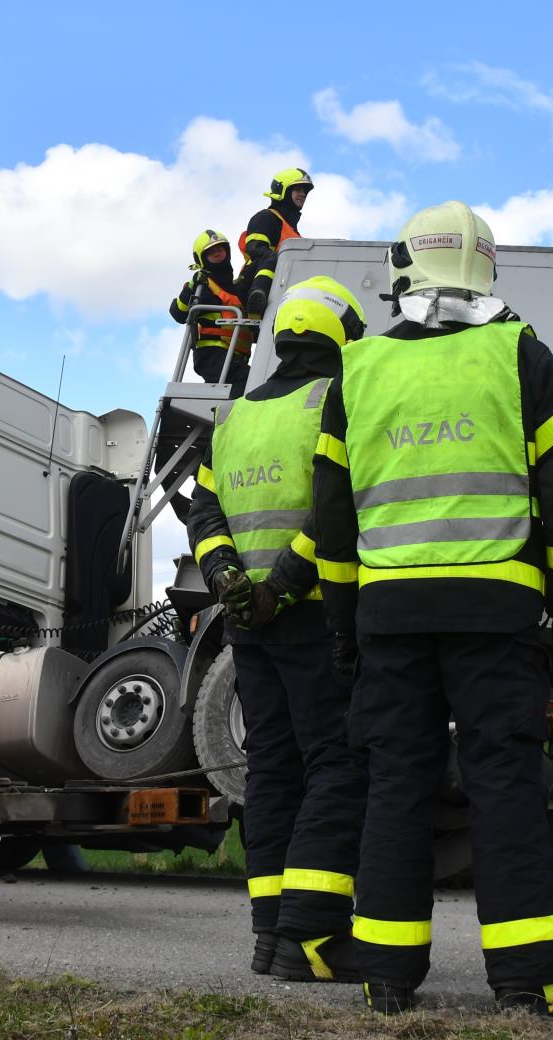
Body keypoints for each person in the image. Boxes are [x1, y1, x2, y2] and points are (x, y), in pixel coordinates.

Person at [298, 200, 553, 1015]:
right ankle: (530, 977)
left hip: (390, 615)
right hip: (498, 615)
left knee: (397, 784)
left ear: (405, 270)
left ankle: (387, 973)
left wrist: (343, 626)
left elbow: (333, 518)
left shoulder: (356, 370)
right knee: (506, 786)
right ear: (486, 267)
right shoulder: (522, 355)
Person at [186, 276, 369, 983]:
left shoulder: (231, 419)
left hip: (248, 626)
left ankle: (270, 935)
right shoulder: (335, 399)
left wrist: (231, 581)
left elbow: (204, 515)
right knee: (336, 765)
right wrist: (282, 590)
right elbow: (334, 510)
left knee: (272, 770)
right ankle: (316, 937)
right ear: (341, 337)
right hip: (313, 613)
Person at [170, 229, 249, 393]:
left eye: (220, 249)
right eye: (211, 251)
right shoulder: (201, 286)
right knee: (250, 383)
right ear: (201, 258)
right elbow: (178, 313)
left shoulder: (236, 288)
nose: (217, 253)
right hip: (213, 356)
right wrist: (192, 286)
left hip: (235, 357)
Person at [238, 169, 312, 316]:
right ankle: (257, 298)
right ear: (282, 190)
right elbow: (255, 249)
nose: (302, 194)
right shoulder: (266, 217)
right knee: (272, 257)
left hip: (281, 289)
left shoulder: (293, 232)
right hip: (252, 284)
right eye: (297, 189)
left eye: (304, 191)